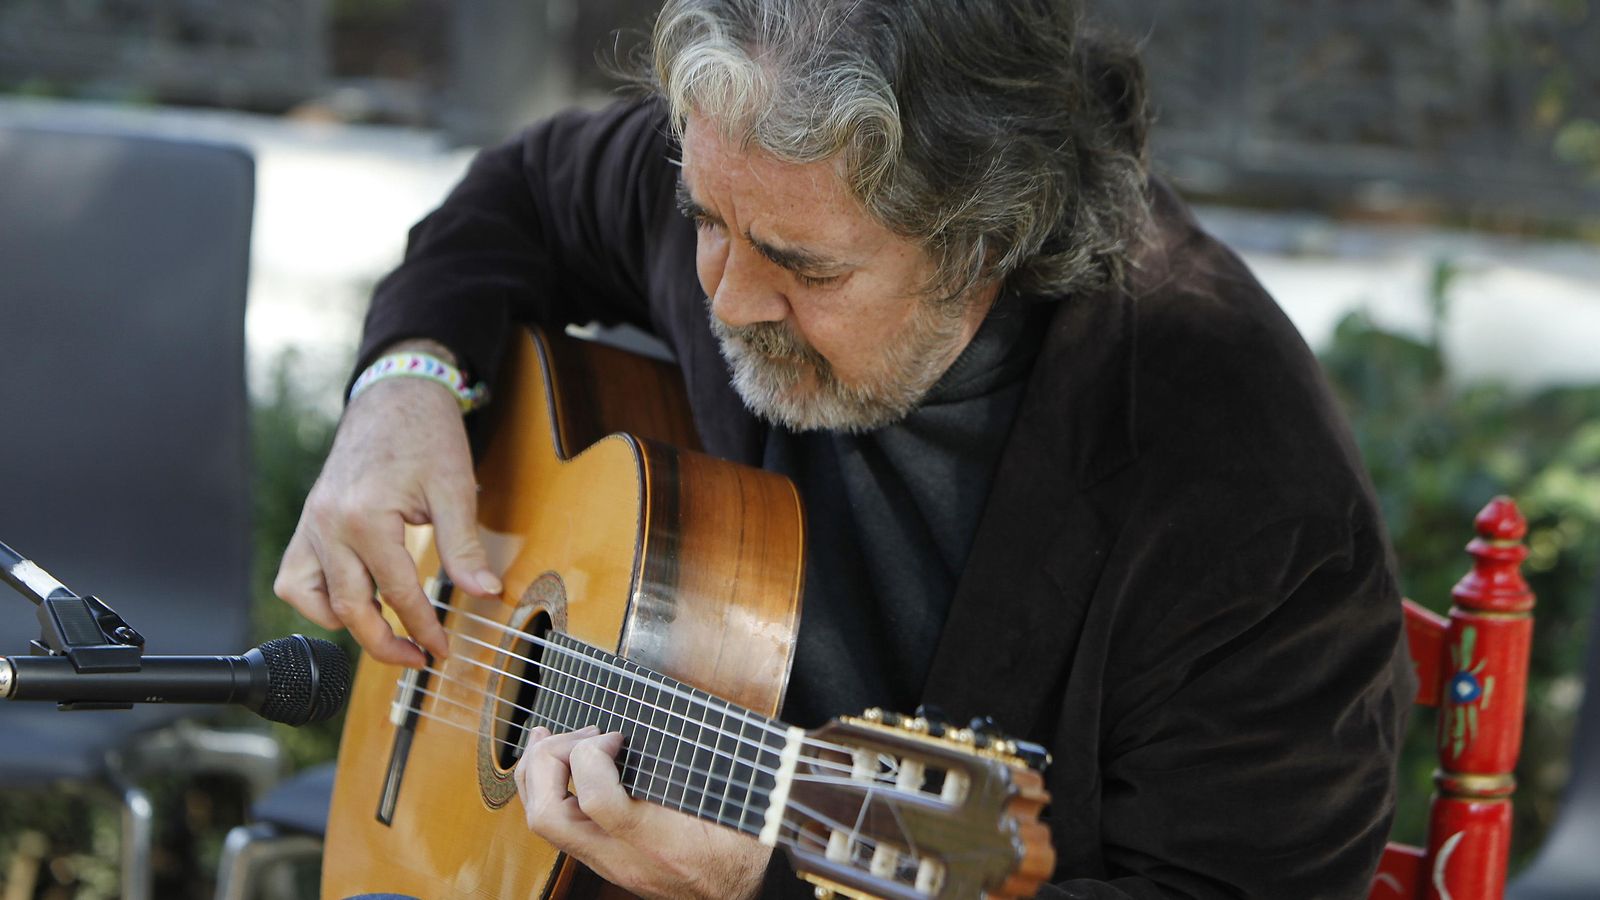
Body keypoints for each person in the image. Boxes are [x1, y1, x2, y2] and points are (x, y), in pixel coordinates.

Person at [274, 1, 1414, 897]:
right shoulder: (758, 174)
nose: (727, 295)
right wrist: (404, 385)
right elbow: (518, 192)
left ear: (990, 235)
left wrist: (753, 879)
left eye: (805, 268)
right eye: (704, 219)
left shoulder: (1250, 507)